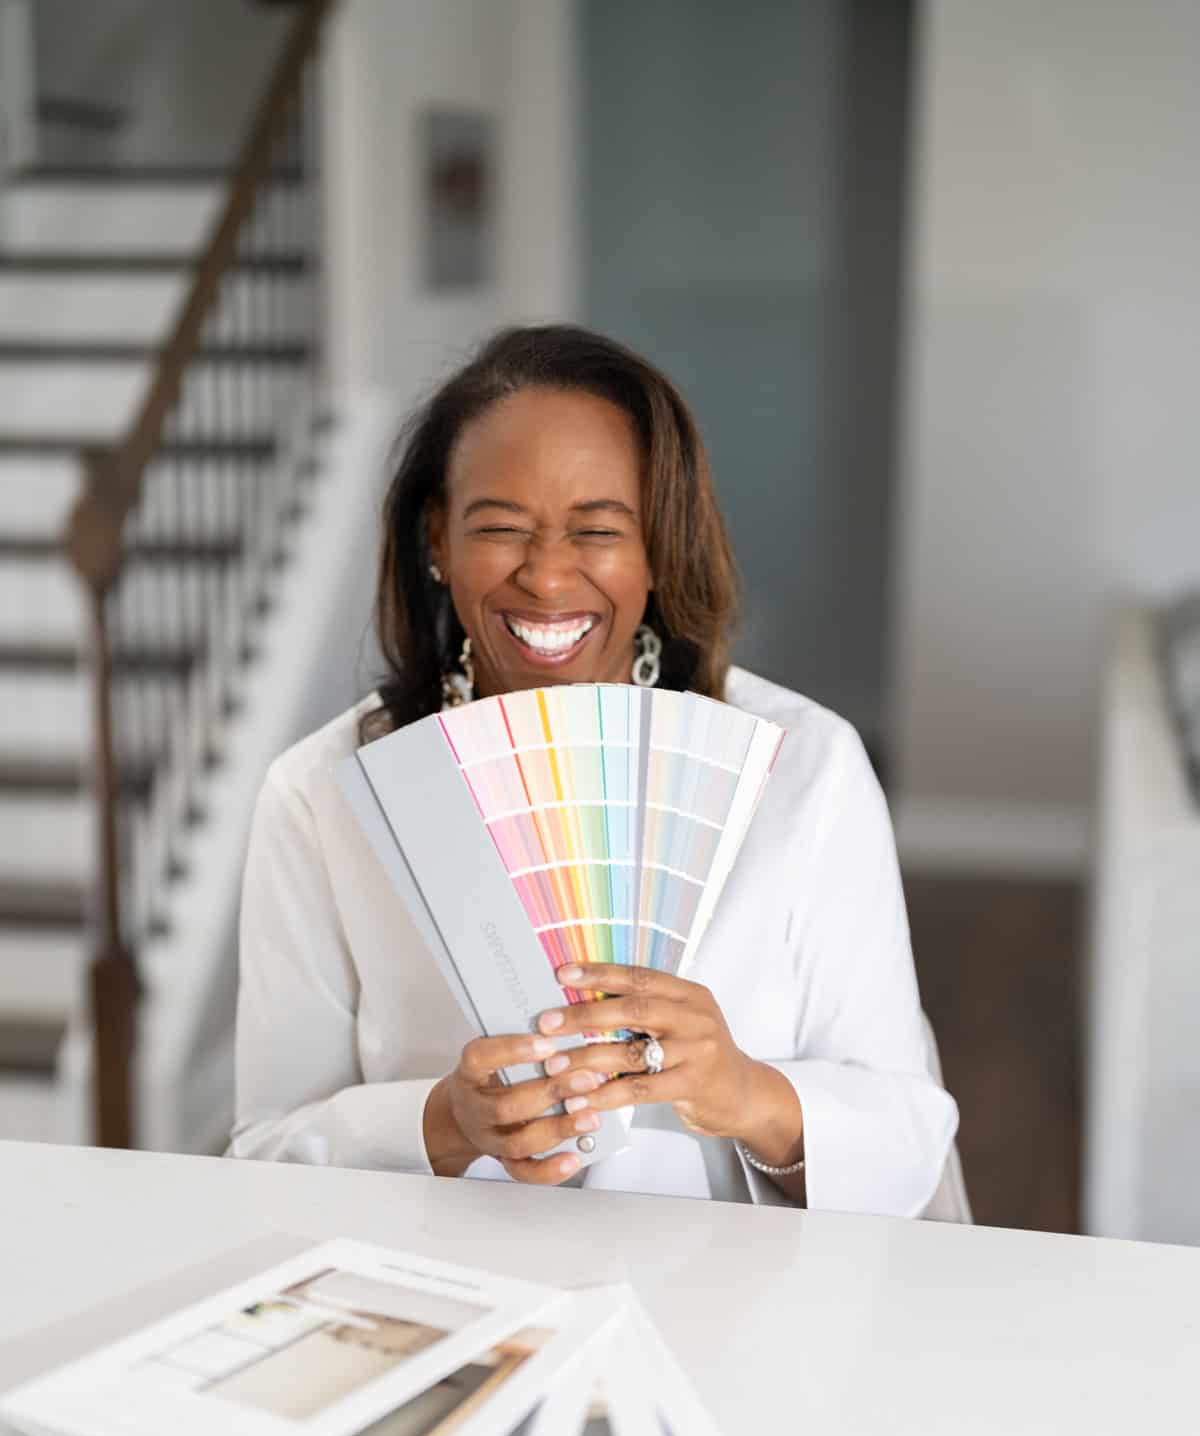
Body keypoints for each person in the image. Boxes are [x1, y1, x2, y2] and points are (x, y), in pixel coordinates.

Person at [230, 324, 958, 1214]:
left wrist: (742, 1092)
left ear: (659, 544)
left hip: (726, 1306)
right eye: (500, 528)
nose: (546, 577)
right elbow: (262, 1153)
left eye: (598, 530)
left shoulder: (807, 769)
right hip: (444, 1294)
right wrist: (440, 1124)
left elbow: (911, 1144)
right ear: (437, 540)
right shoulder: (319, 796)